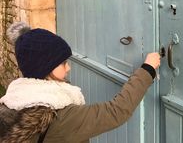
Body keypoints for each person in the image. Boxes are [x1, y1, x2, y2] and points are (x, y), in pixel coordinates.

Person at [0, 21, 160, 143]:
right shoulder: (60, 118)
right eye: (63, 62)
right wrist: (148, 69)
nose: (68, 67)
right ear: (44, 68)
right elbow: (116, 111)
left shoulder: (13, 102)